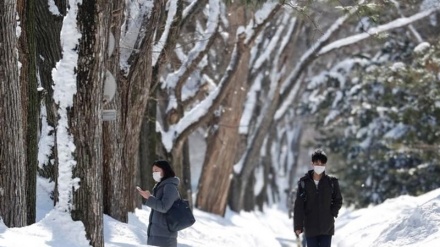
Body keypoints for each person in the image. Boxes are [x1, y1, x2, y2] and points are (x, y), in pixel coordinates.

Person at [293, 149, 343, 247]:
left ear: (325, 165)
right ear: (312, 163)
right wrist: (298, 225)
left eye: (322, 164)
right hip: (310, 227)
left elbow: (338, 200)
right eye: (317, 163)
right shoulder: (304, 183)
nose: (319, 166)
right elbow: (299, 205)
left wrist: (332, 212)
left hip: (326, 227)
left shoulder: (332, 182)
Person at [137, 160, 180, 247]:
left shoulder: (170, 186)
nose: (154, 173)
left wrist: (149, 197)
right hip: (157, 235)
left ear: (165, 170)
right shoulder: (161, 186)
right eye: (153, 171)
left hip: (165, 236)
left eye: (156, 171)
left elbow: (164, 207)